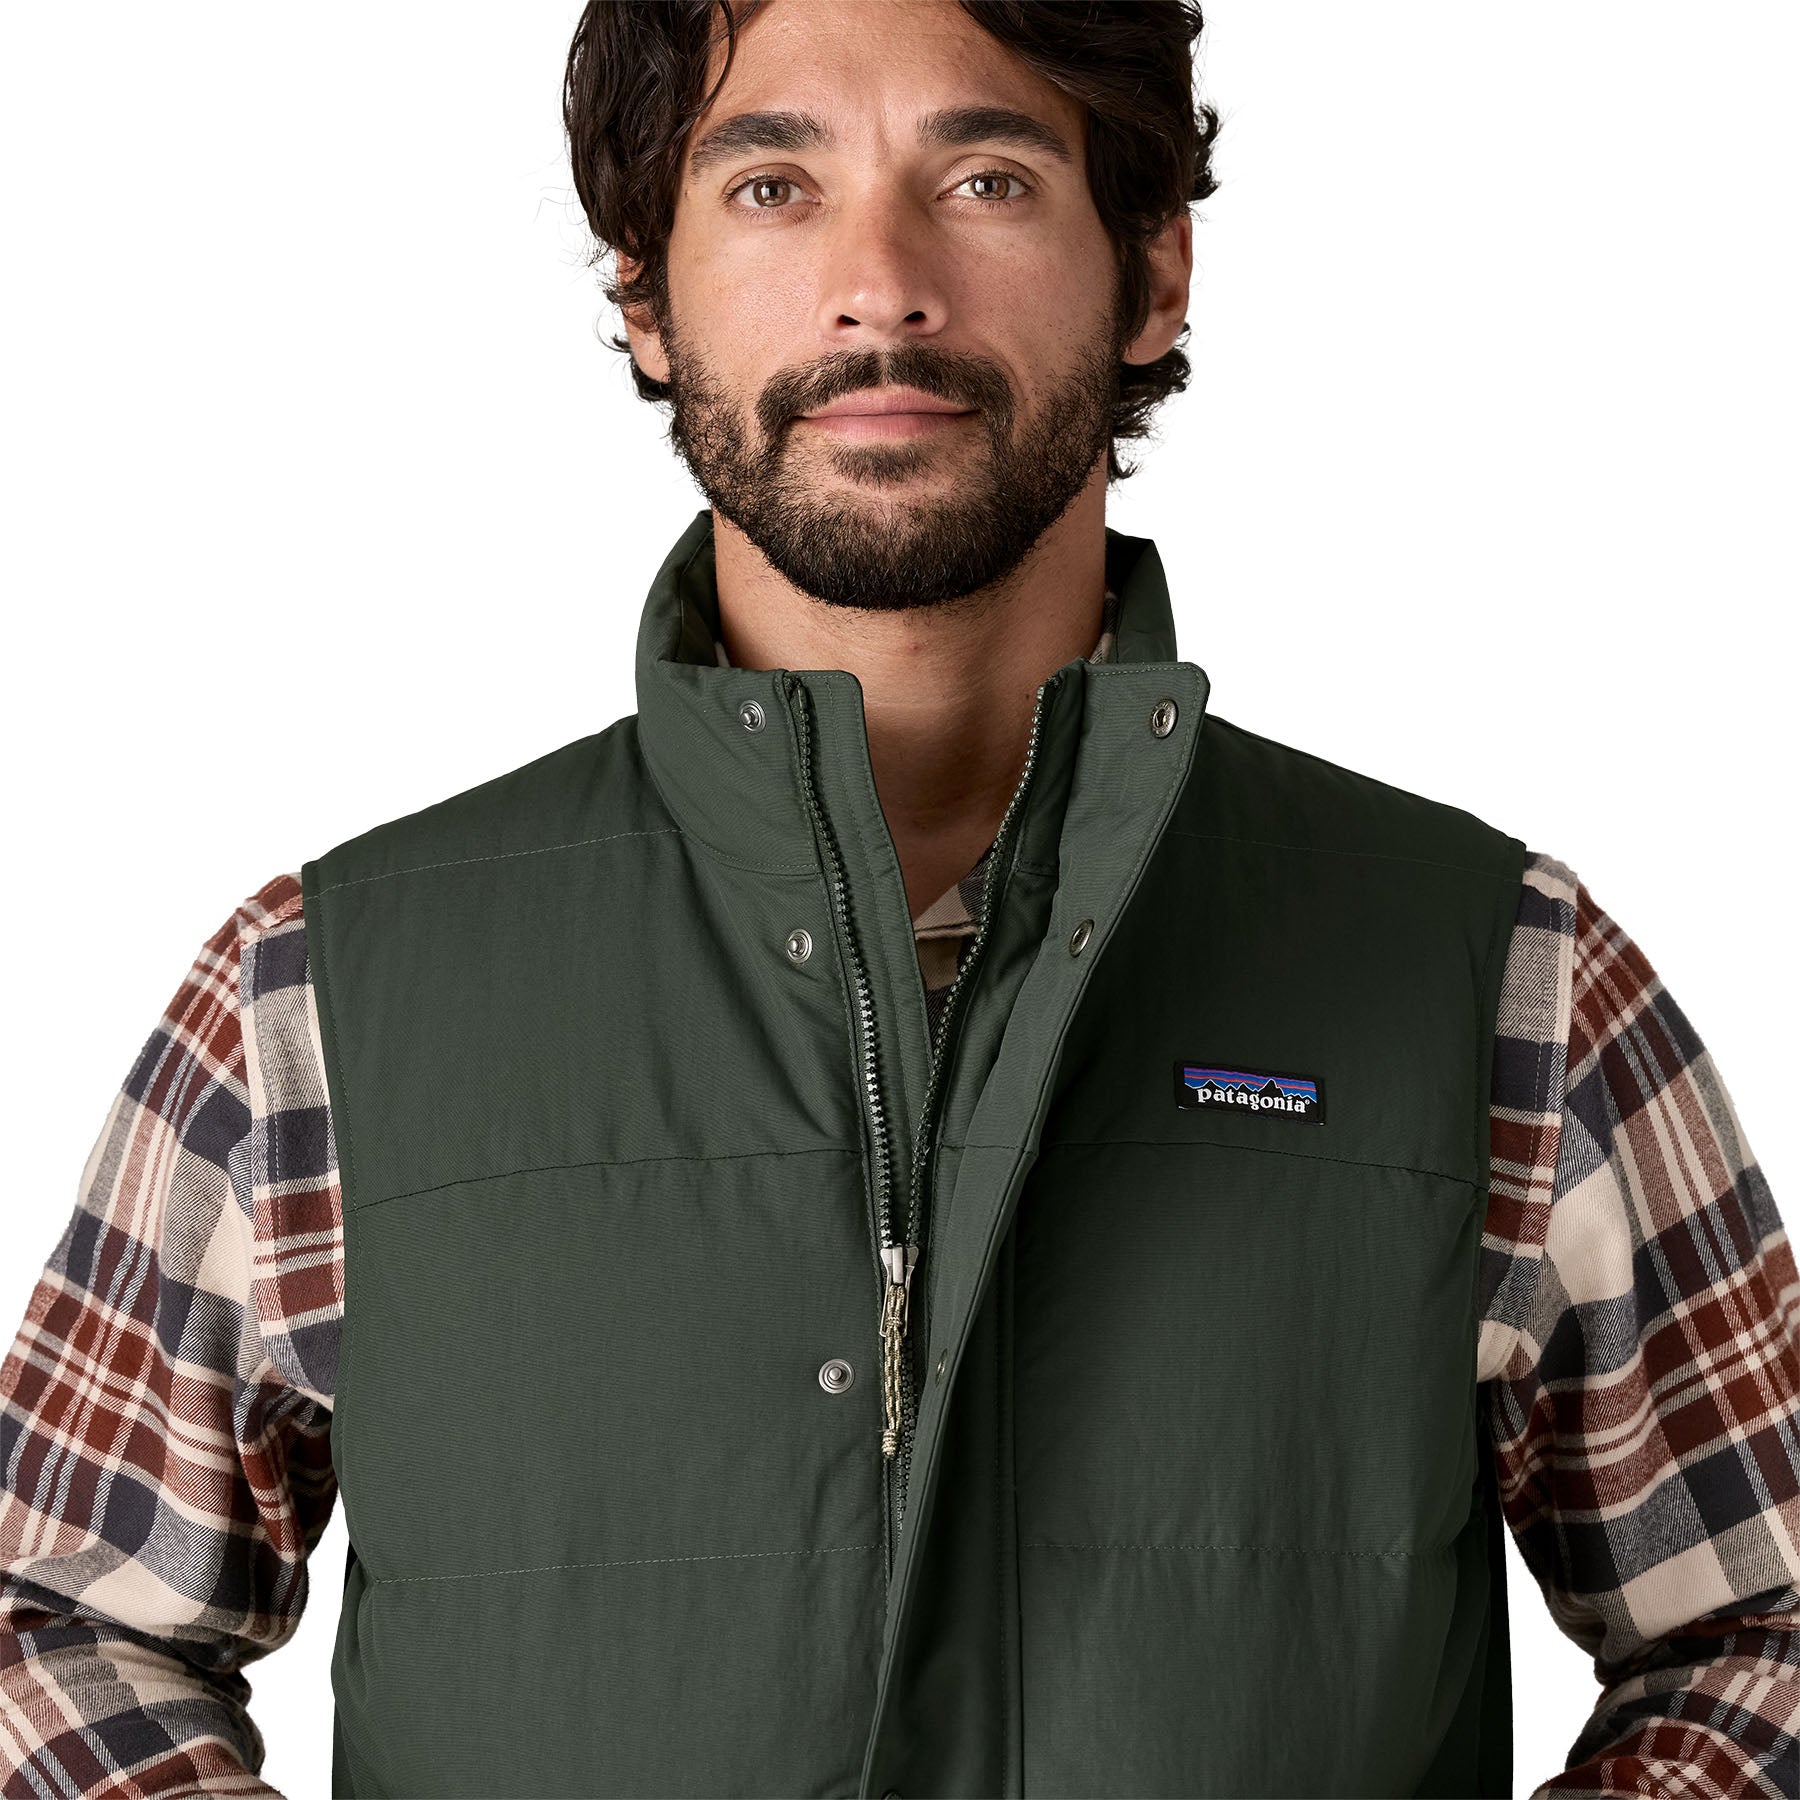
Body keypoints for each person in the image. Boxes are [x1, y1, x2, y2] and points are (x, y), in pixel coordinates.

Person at [3, 1, 1795, 1795]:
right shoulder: (324, 1001)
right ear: (645, 293)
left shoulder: (1496, 978)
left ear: (1154, 272)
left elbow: (1763, 1630)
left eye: (987, 178)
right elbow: (55, 1627)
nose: (881, 288)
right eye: (772, 185)